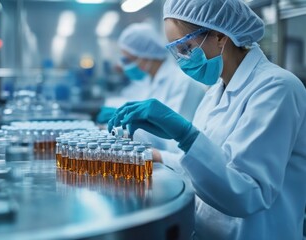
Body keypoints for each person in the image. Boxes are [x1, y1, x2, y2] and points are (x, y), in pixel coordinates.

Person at [108, 0, 306, 239]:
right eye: (176, 51)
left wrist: (185, 134)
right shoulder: (215, 91)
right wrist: (159, 156)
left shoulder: (277, 88)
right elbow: (207, 166)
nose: (182, 60)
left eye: (186, 48)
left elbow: (246, 193)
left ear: (220, 36)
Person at [97, 22, 206, 152]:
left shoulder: (183, 82)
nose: (125, 66)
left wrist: (129, 132)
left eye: (129, 60)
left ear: (145, 55)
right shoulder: (147, 81)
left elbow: (175, 142)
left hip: (173, 164)